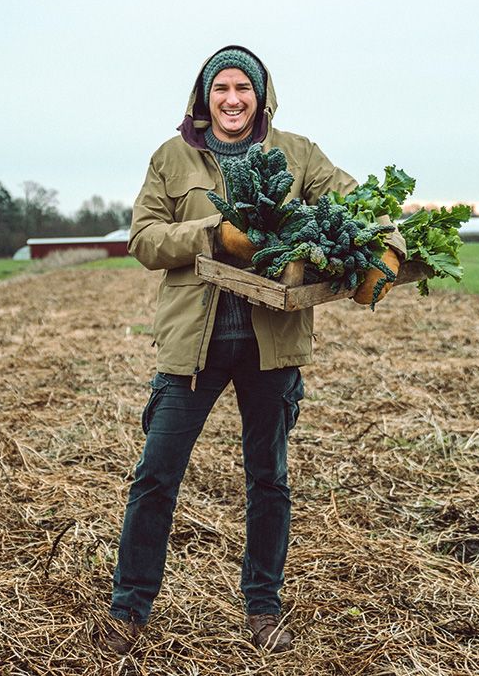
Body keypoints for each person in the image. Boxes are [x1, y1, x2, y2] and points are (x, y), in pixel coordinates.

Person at [99, 46, 406, 655]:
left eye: (244, 88)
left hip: (273, 345)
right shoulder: (172, 157)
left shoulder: (297, 154)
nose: (233, 99)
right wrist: (214, 234)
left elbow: (359, 201)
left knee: (269, 480)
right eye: (222, 89)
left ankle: (263, 609)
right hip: (194, 344)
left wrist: (388, 248)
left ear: (261, 97)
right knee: (156, 475)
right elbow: (144, 239)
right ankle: (130, 609)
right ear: (204, 97)